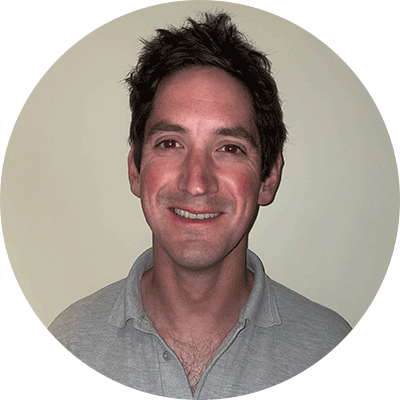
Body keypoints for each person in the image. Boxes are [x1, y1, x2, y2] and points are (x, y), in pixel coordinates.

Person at [49, 11, 351, 399]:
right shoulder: (66, 348)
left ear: (268, 178)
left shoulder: (333, 353)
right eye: (170, 143)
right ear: (135, 170)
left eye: (229, 148)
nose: (196, 183)